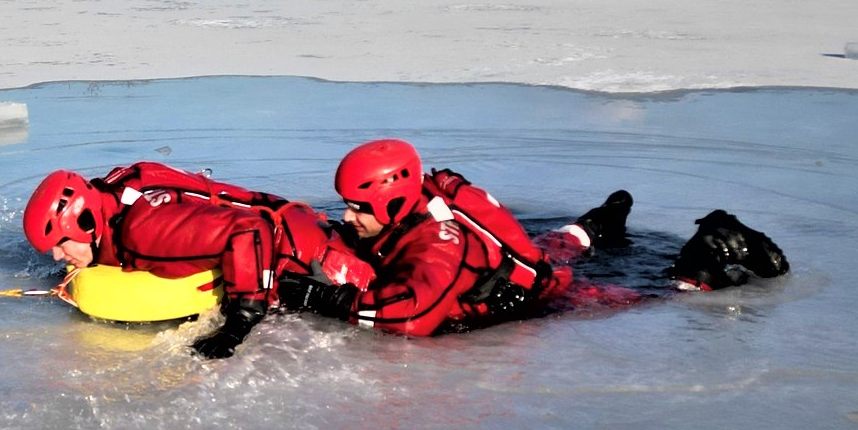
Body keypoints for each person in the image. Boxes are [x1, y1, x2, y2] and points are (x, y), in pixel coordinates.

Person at [279, 138, 788, 337]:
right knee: (552, 243)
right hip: (519, 252)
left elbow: (412, 316)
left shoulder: (439, 244)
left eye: (357, 207)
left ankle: (714, 249)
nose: (345, 215)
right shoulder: (420, 198)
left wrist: (322, 298)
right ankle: (601, 222)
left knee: (656, 297)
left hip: (541, 291)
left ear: (393, 199)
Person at [21, 161, 363, 359]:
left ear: (87, 223)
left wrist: (239, 323)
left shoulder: (143, 231)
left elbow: (249, 232)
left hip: (313, 261)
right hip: (302, 226)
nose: (57, 256)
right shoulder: (111, 192)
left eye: (61, 244)